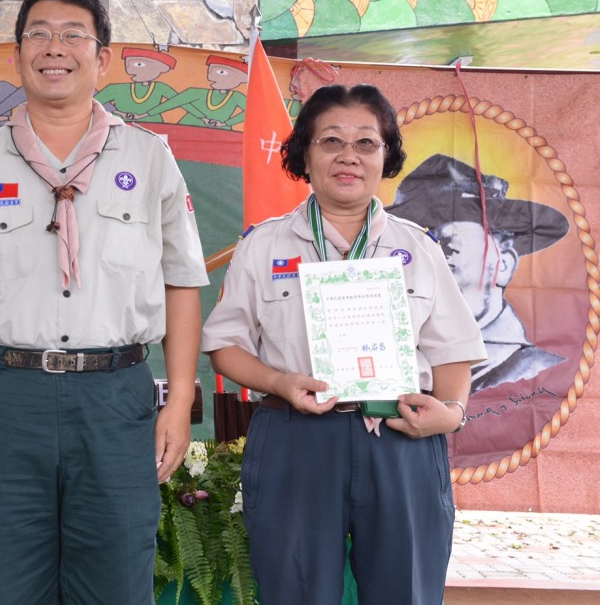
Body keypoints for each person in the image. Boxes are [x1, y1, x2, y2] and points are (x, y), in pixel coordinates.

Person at [0, 0, 208, 604]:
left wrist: (179, 401)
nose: (57, 48)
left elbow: (183, 281)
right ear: (18, 54)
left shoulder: (151, 158)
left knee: (117, 583)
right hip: (6, 399)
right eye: (40, 35)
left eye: (74, 35)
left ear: (102, 58)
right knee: (3, 585)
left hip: (115, 397)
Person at [201, 84, 487, 605]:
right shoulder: (262, 245)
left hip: (402, 440)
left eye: (366, 143)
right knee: (295, 593)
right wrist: (280, 382)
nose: (348, 155)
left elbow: (452, 352)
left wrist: (452, 413)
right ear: (304, 155)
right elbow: (225, 346)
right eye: (330, 140)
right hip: (296, 441)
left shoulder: (418, 248)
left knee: (407, 593)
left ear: (386, 157)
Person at [386, 153, 569, 394]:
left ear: (502, 264)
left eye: (449, 248)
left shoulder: (537, 372)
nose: (429, 265)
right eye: (415, 252)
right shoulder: (388, 364)